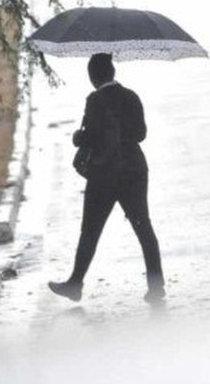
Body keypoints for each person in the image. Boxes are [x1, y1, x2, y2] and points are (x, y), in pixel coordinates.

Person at [48, 53, 165, 304]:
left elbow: (91, 137)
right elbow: (141, 134)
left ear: (93, 76)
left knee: (90, 230)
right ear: (112, 72)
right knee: (143, 226)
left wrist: (78, 137)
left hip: (104, 174)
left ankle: (75, 283)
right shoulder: (132, 96)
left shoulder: (95, 99)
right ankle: (156, 286)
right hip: (134, 169)